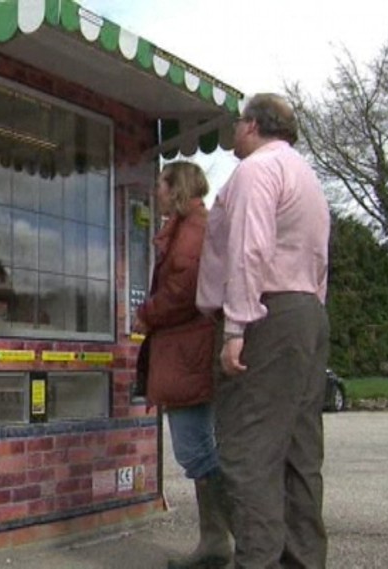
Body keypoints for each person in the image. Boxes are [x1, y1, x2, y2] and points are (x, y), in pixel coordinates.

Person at [196, 93, 331, 568]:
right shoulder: (305, 176)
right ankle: (303, 560)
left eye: (238, 123)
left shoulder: (256, 171)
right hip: (307, 311)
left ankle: (257, 560)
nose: (234, 132)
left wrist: (236, 326)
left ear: (252, 125)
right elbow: (319, 259)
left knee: (248, 449)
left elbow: (248, 250)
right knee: (299, 451)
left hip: (265, 313)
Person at [134, 161, 233, 569]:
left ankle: (236, 541)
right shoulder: (188, 226)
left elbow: (184, 289)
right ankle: (223, 542)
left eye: (161, 184)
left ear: (176, 187)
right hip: (189, 350)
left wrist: (147, 313)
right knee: (199, 449)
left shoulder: (192, 230)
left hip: (187, 352)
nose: (156, 191)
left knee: (195, 450)